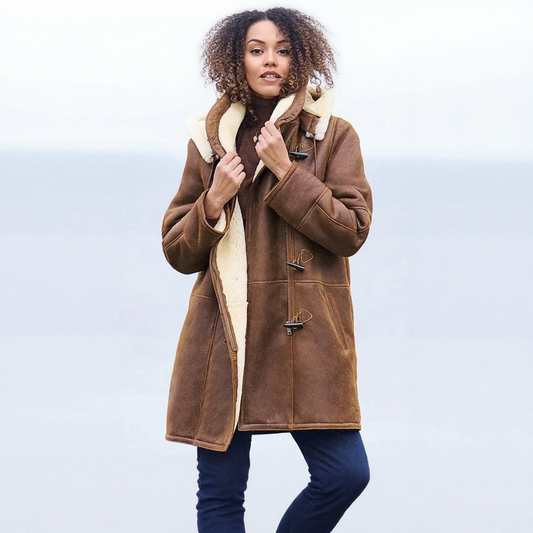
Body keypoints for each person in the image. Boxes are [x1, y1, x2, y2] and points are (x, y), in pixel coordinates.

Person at [161, 7, 373, 533]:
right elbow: (177, 251)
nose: (270, 60)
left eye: (282, 50)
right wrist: (212, 201)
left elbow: (351, 231)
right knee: (220, 494)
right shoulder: (208, 139)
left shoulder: (334, 135)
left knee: (345, 475)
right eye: (256, 50)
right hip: (226, 337)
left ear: (301, 58)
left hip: (308, 338)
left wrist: (285, 171)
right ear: (237, 60)